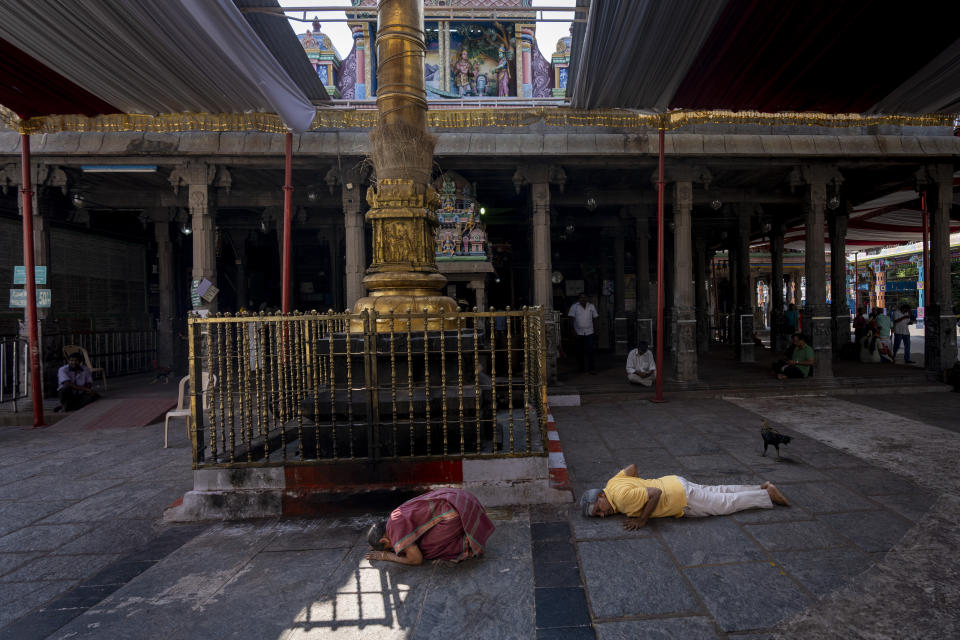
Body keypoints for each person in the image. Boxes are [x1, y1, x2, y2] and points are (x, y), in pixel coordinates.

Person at [580, 464, 789, 530]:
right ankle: (761, 487)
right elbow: (632, 468)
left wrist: (641, 520)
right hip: (675, 482)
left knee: (724, 504)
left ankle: (766, 495)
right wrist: (641, 483)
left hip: (679, 497)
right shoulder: (612, 483)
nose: (602, 515)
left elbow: (655, 494)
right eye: (597, 515)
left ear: (600, 496)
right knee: (717, 491)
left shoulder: (624, 500)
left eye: (598, 509)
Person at [364, 488, 494, 565]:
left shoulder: (394, 531)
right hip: (461, 498)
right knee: (416, 541)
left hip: (454, 512)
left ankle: (466, 545)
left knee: (426, 549)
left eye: (389, 546)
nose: (394, 548)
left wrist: (386, 556)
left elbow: (416, 559)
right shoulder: (394, 516)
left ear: (384, 540)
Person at [568, 293, 598, 374]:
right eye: (581, 298)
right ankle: (581, 368)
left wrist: (596, 331)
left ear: (587, 298)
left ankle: (591, 368)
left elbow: (595, 319)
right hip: (578, 332)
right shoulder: (574, 307)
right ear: (579, 299)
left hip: (590, 332)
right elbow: (571, 319)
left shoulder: (591, 306)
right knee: (579, 351)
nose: (583, 299)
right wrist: (573, 331)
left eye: (585, 297)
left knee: (590, 351)